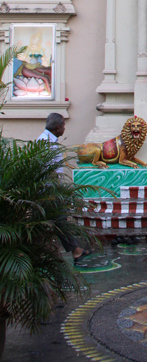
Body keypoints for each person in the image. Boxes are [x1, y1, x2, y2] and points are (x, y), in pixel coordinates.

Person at [37, 113, 91, 265]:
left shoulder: (50, 140)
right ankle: (74, 250)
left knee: (59, 220)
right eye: (63, 126)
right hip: (48, 189)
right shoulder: (46, 142)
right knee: (60, 220)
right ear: (58, 127)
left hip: (51, 188)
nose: (64, 129)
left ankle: (75, 250)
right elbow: (45, 168)